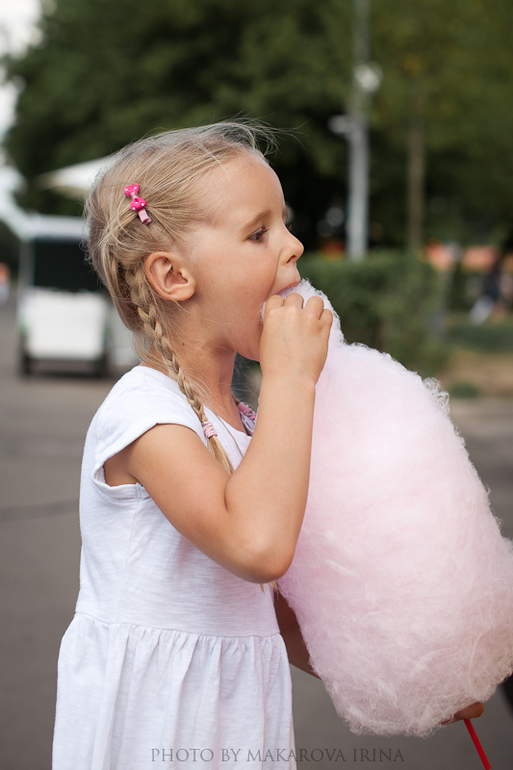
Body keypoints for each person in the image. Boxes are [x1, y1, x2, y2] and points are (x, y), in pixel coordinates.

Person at [52, 122, 482, 770]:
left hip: (235, 723)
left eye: (284, 224)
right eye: (258, 233)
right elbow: (254, 546)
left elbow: (275, 613)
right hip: (155, 728)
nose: (293, 245)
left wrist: (416, 681)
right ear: (172, 276)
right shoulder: (144, 417)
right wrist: (290, 380)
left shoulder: (251, 425)